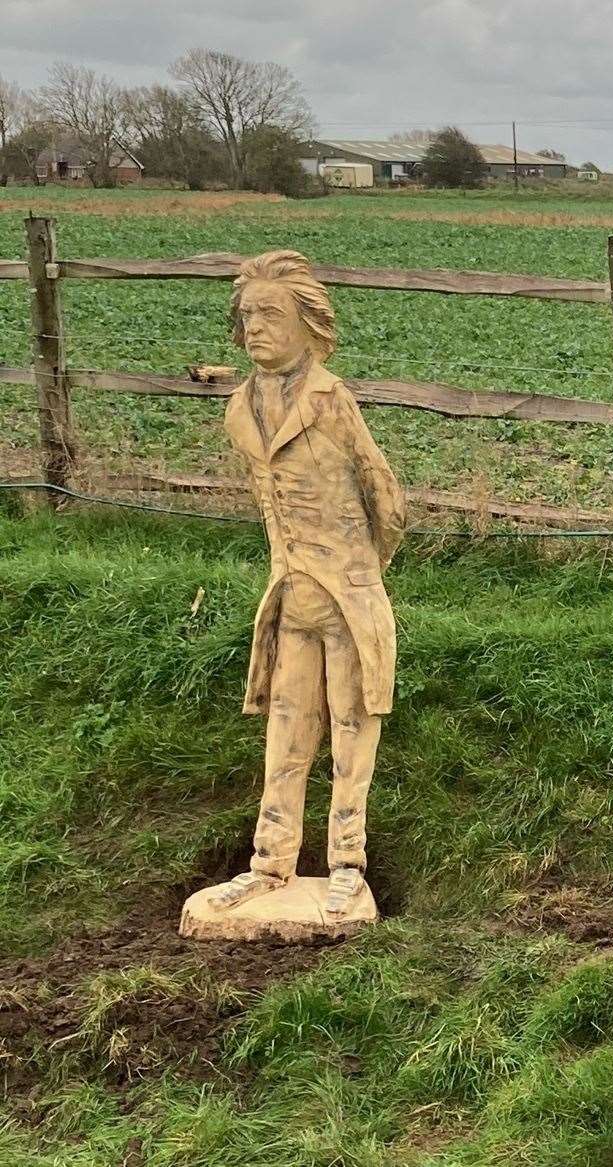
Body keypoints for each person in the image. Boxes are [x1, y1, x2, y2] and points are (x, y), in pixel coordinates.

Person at [203, 250, 405, 918]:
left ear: (306, 323)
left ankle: (347, 861)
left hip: (348, 600)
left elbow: (386, 497)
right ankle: (271, 863)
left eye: (270, 313)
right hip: (288, 598)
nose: (255, 326)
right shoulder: (240, 409)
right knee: (286, 733)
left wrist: (360, 570)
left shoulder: (330, 399)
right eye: (247, 314)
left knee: (351, 728)